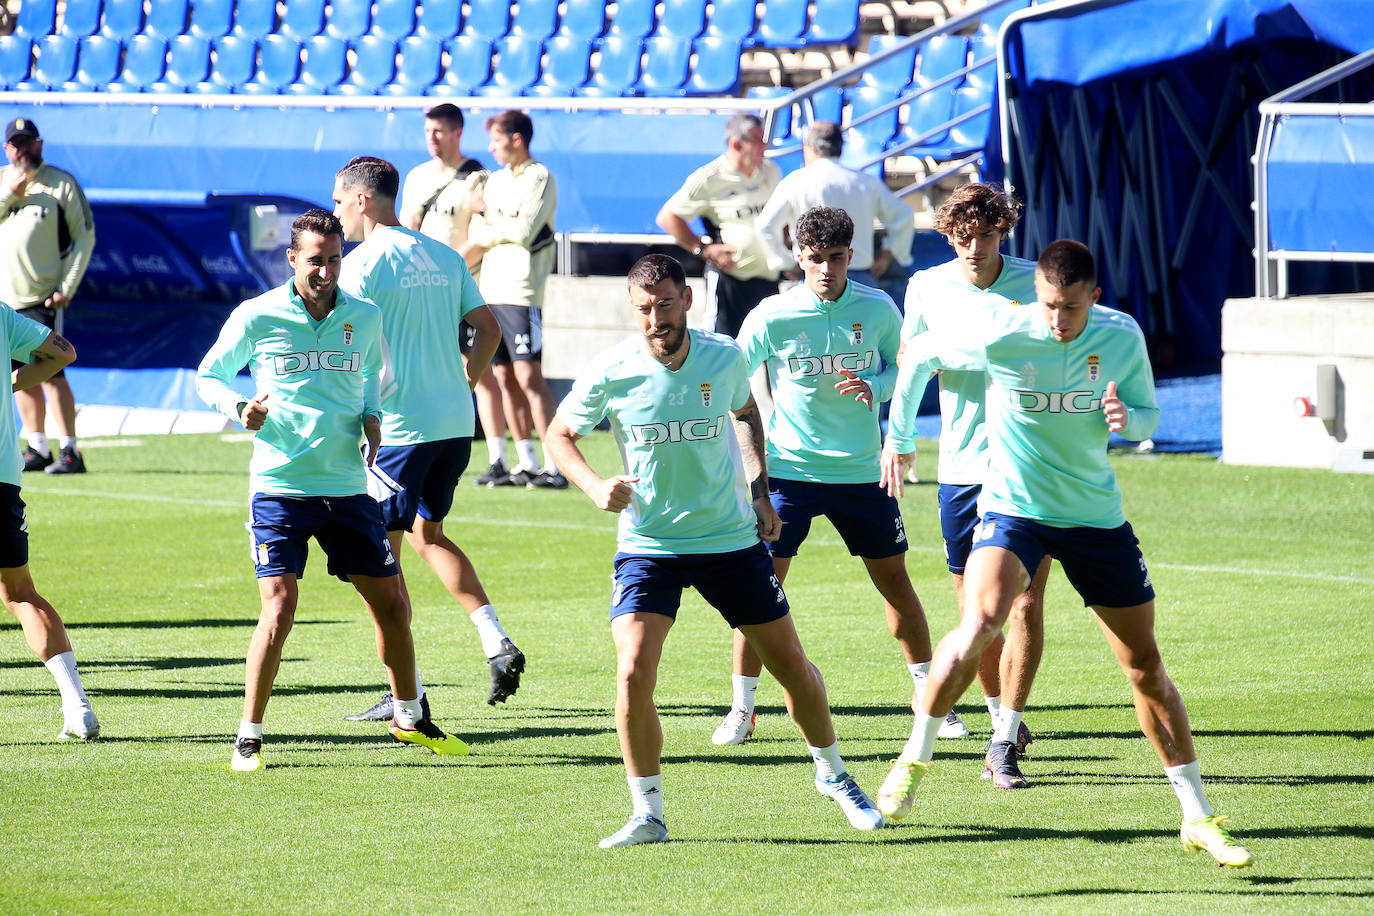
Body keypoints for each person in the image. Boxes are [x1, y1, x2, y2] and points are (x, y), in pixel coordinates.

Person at [875, 239, 1254, 868]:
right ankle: (913, 758)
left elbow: (1147, 418)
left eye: (1070, 309)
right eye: (1049, 305)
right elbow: (917, 359)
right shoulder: (1004, 330)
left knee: (1145, 667)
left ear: (1093, 299)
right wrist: (904, 436)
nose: (1057, 320)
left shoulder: (1122, 336)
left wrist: (1122, 417)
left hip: (1093, 517)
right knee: (979, 623)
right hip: (1014, 508)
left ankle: (1197, 817)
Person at [545, 253, 884, 847]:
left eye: (667, 305)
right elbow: (559, 434)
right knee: (631, 672)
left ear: (688, 300)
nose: (657, 319)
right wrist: (596, 484)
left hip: (729, 541)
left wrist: (760, 491)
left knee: (792, 667)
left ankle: (833, 774)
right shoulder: (612, 370)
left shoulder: (723, 356)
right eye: (645, 309)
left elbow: (746, 412)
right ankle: (647, 813)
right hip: (649, 547)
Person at [195, 209, 469, 772]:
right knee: (280, 609)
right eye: (315, 260)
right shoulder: (257, 314)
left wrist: (370, 415)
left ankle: (409, 717)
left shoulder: (363, 317)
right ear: (292, 258)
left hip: (348, 487)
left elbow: (368, 375)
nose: (326, 270)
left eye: (335, 259)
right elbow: (209, 375)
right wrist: (238, 408)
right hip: (280, 487)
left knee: (392, 606)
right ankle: (249, 734)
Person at [713, 205, 964, 748]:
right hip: (789, 475)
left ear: (852, 255)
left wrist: (878, 386)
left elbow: (911, 364)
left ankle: (931, 703)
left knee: (895, 583)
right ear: (797, 257)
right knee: (761, 590)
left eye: (835, 257)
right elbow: (730, 375)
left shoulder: (877, 308)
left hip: (860, 473)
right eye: (813, 258)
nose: (825, 268)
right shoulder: (771, 315)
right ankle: (743, 709)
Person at [331, 156, 526, 716]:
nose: (338, 213)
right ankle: (495, 640)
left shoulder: (361, 265)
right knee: (428, 535)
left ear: (362, 200)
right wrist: (463, 381)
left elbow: (347, 350)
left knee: (378, 564)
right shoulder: (444, 255)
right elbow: (487, 329)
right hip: (454, 426)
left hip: (399, 431)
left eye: (340, 201)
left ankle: (402, 694)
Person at [890, 183, 1048, 788]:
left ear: (1003, 232)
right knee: (973, 611)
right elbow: (912, 361)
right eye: (962, 238)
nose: (974, 248)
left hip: (1030, 467)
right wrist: (896, 436)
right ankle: (996, 714)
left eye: (985, 235)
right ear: (948, 237)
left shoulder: (1036, 283)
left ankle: (1004, 739)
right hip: (959, 468)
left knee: (1027, 601)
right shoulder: (928, 287)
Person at [398, 104, 513, 488]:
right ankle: (427, 440)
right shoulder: (416, 177)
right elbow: (407, 229)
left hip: (461, 288)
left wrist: (444, 269)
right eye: (427, 130)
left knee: (482, 373)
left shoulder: (477, 178)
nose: (432, 138)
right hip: (420, 289)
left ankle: (498, 455)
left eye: (439, 131)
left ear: (457, 133)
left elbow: (481, 237)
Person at [0, 302, 98, 739]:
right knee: (21, 594)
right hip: (2, 479)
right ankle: (78, 708)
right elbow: (63, 353)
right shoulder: (2, 313)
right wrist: (13, 381)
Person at [465, 109, 565, 489]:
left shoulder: (540, 178)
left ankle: (557, 465)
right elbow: (477, 230)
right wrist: (490, 222)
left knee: (528, 375)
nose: (491, 147)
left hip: (522, 290)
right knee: (504, 377)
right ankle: (525, 462)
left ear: (516, 139)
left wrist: (490, 220)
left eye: (496, 139)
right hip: (490, 287)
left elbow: (524, 231)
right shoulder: (494, 181)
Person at [0, 118, 95, 475]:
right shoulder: (2, 181)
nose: (22, 150)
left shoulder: (61, 184)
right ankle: (37, 444)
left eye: (29, 142)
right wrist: (12, 194)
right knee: (15, 371)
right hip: (5, 298)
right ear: (7, 148)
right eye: (15, 144)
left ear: (40, 144)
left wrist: (66, 287)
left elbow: (85, 236)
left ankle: (70, 449)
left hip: (42, 295)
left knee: (52, 369)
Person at [754, 121, 914, 298]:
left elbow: (764, 226)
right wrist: (887, 255)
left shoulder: (795, 181)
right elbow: (904, 216)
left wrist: (785, 263)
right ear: (840, 149)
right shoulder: (866, 182)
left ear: (809, 148)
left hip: (814, 279)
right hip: (861, 279)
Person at [656, 113, 781, 338]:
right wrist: (702, 249)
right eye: (757, 140)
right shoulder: (709, 178)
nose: (764, 146)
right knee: (722, 345)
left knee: (769, 348)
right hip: (731, 280)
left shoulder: (771, 172)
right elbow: (668, 217)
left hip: (768, 277)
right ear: (736, 144)